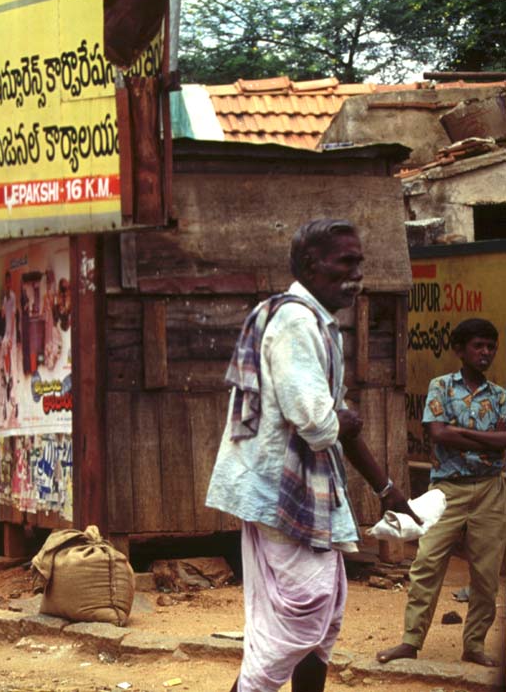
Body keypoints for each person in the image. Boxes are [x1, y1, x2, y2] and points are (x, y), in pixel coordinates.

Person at [205, 218, 418, 692]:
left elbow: (333, 421)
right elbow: (322, 425)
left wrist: (385, 488)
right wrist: (343, 419)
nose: (356, 274)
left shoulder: (316, 322)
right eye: (346, 262)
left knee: (324, 618)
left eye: (359, 262)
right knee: (305, 614)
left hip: (300, 492)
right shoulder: (297, 322)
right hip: (283, 494)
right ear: (309, 265)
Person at [377, 318, 506, 668]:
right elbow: (438, 434)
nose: (485, 353)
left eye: (490, 346)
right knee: (427, 564)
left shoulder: (500, 396)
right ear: (459, 350)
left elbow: (502, 441)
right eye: (478, 346)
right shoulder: (441, 386)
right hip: (447, 490)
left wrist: (460, 431)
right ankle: (411, 641)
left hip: (491, 491)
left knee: (486, 573)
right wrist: (485, 439)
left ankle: (474, 646)